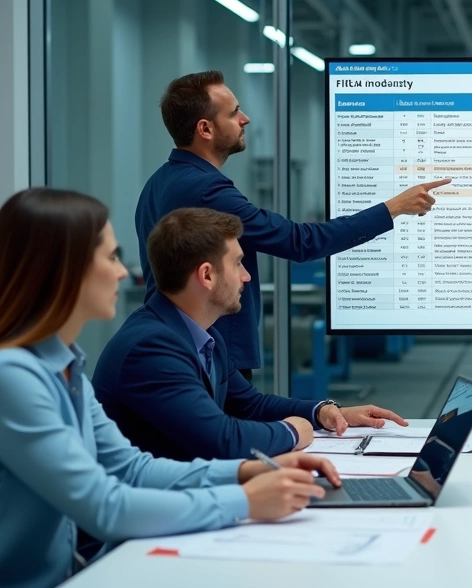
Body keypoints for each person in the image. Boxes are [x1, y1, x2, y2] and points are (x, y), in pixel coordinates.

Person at [0, 188, 342, 588]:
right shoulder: (8, 378)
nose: (123, 271)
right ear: (63, 272)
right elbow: (106, 506)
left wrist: (245, 472)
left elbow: (132, 469)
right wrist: (244, 500)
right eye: (111, 256)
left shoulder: (63, 366)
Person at [138, 70, 448, 382]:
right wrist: (393, 208)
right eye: (233, 113)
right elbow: (300, 241)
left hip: (181, 345)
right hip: (212, 356)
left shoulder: (156, 184)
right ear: (205, 129)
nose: (245, 119)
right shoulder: (208, 190)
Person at [93, 207, 407, 461]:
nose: (246, 277)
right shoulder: (151, 348)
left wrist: (322, 412)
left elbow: (250, 405)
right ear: (206, 275)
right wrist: (292, 432)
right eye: (238, 264)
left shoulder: (203, 335)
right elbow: (220, 439)